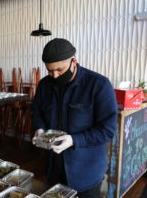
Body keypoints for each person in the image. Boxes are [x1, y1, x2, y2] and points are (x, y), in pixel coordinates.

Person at [31, 38, 117, 198]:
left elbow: (108, 131)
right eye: (50, 71)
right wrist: (39, 127)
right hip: (53, 167)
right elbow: (36, 112)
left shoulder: (98, 85)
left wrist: (74, 140)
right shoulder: (45, 85)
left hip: (85, 172)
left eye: (60, 70)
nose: (55, 76)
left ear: (74, 61)